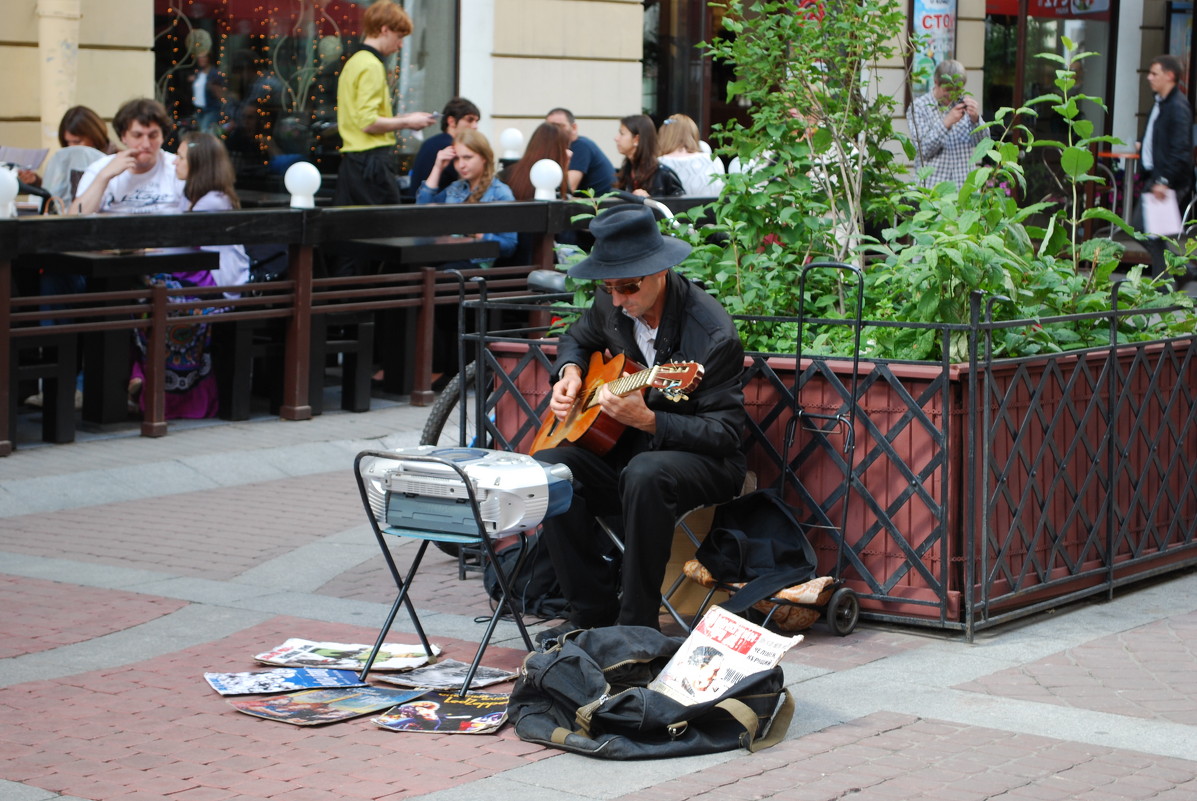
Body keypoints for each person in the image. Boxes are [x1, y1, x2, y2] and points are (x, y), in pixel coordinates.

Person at [534, 204, 748, 642]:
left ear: (660, 272)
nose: (616, 299)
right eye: (608, 286)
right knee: (549, 469)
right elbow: (576, 338)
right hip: (624, 456)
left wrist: (650, 421)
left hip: (699, 462)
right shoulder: (612, 304)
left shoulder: (711, 336)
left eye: (627, 287)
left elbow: (725, 435)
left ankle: (636, 628)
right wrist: (571, 373)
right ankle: (591, 612)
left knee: (647, 473)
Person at [128, 132, 249, 420]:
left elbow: (174, 248)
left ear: (198, 164)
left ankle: (159, 389)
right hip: (205, 277)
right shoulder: (198, 197)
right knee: (147, 289)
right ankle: (141, 377)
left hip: (220, 286)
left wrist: (145, 249)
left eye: (181, 158)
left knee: (153, 292)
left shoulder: (211, 202)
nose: (175, 163)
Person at [334, 0, 436, 210]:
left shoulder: (354, 62)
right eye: (399, 37)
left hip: (353, 164)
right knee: (386, 232)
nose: (400, 45)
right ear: (384, 30)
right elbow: (368, 122)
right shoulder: (372, 65)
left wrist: (406, 119)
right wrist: (407, 121)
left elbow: (360, 117)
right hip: (372, 164)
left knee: (352, 233)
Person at [415, 128, 516, 261]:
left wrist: (478, 235)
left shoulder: (500, 193)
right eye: (456, 159)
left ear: (484, 158)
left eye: (467, 157)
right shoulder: (456, 188)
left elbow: (509, 246)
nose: (461, 165)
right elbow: (422, 211)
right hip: (448, 258)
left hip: (475, 267)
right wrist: (438, 167)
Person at [71, 98, 185, 215]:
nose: (146, 144)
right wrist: (104, 177)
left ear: (162, 137)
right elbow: (75, 220)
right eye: (137, 136)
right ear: (123, 137)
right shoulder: (100, 168)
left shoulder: (177, 166)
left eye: (153, 136)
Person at [1136, 54, 1194, 282]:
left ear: (1170, 76)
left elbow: (1181, 149)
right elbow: (1152, 132)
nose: (1149, 78)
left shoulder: (1178, 107)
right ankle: (1175, 276)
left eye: (1154, 73)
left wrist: (1164, 181)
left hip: (1168, 179)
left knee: (1141, 228)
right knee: (1155, 234)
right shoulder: (1161, 102)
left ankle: (1180, 273)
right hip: (1158, 176)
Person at [906, 59, 985, 189]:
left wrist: (976, 120)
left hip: (963, 190)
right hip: (932, 192)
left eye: (958, 89)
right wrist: (946, 123)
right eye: (948, 89)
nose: (952, 94)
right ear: (936, 82)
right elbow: (922, 151)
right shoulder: (919, 107)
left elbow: (982, 145)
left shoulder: (964, 104)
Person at [405, 96, 481, 198]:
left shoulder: (429, 142)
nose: (475, 126)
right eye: (470, 120)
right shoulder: (453, 147)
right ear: (451, 121)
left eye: (477, 121)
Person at [546, 107, 616, 196]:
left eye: (560, 126)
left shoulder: (581, 146)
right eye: (549, 127)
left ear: (574, 127)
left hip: (598, 206)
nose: (554, 131)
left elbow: (568, 188)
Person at [614, 114, 684, 198]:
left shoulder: (663, 174)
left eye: (622, 134)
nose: (616, 138)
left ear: (636, 139)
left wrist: (650, 200)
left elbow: (680, 206)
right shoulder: (626, 171)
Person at [498, 122, 572, 202]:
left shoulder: (507, 174)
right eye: (566, 147)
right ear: (556, 151)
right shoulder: (554, 179)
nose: (570, 153)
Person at [657, 113, 725, 196]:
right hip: (709, 208)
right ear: (693, 133)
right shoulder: (713, 160)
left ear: (664, 135)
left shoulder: (659, 164)